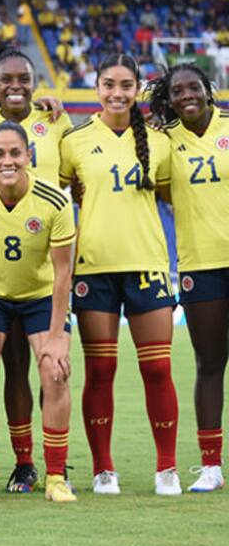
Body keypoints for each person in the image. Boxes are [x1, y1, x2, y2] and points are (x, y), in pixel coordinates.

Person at [59, 53, 179, 496]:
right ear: (96, 88)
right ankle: (103, 470)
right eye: (109, 84)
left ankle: (166, 468)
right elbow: (63, 194)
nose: (117, 93)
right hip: (94, 267)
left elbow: (171, 194)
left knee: (159, 370)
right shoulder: (73, 141)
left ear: (136, 89)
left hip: (147, 264)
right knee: (101, 370)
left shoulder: (160, 141)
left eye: (126, 85)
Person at [0, 44, 72, 493]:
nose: (7, 161)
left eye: (16, 153)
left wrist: (59, 333)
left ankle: (56, 475)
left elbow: (64, 273)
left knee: (53, 370)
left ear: (29, 155)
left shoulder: (54, 200)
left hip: (38, 295)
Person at [146, 64, 228, 492]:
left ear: (208, 90)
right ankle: (211, 466)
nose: (186, 96)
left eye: (193, 87)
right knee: (209, 364)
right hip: (200, 265)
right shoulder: (163, 141)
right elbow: (156, 189)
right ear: (169, 99)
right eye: (177, 91)